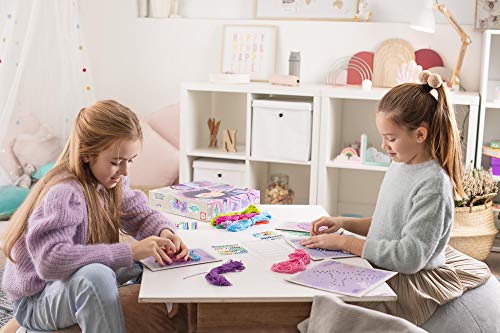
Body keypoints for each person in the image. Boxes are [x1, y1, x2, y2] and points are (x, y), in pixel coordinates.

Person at [300, 71, 491, 326]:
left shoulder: (433, 184)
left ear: (420, 135)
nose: (383, 146)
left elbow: (409, 257)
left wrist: (345, 243)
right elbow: (389, 223)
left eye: (390, 139)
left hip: (407, 275)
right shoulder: (401, 163)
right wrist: (344, 222)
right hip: (385, 261)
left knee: (334, 316)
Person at [1, 100, 189, 332]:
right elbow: (50, 262)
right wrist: (130, 251)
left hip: (63, 284)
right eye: (116, 163)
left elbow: (139, 214)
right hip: (37, 297)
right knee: (96, 275)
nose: (125, 171)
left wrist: (165, 232)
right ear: (87, 154)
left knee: (151, 257)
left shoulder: (110, 181)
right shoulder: (64, 192)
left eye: (129, 161)